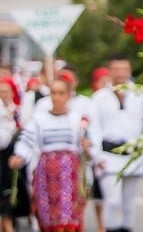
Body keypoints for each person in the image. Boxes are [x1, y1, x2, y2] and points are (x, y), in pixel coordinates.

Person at [9, 79, 99, 232]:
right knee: (49, 216)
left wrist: (87, 148)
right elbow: (27, 141)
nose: (56, 97)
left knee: (68, 214)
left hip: (70, 175)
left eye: (61, 93)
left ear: (69, 96)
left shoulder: (77, 119)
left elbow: (89, 145)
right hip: (47, 175)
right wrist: (19, 156)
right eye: (53, 93)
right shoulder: (39, 119)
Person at [92, 55, 143, 232]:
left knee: (128, 204)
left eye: (124, 69)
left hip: (133, 155)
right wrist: (96, 155)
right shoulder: (100, 97)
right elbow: (95, 128)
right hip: (109, 156)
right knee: (113, 202)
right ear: (110, 71)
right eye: (116, 69)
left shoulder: (141, 95)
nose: (120, 73)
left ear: (129, 71)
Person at [0, 79, 28, 232]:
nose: (3, 94)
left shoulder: (18, 110)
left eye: (6, 91)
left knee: (13, 194)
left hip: (15, 159)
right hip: (2, 160)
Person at [90, 67, 111, 232]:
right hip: (97, 152)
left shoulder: (112, 99)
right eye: (102, 81)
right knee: (98, 194)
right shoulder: (95, 101)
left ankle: (108, 223)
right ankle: (101, 224)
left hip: (110, 153)